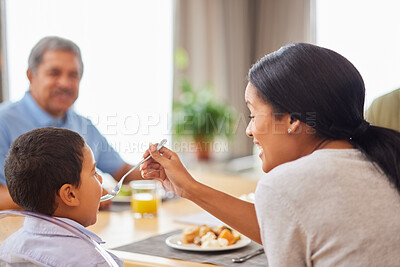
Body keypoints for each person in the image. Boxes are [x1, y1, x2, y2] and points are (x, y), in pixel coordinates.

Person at [141, 43, 400, 266]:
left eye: (253, 115)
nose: (248, 130)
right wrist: (189, 189)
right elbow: (291, 227)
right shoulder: (382, 160)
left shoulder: (286, 184)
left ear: (293, 120)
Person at [0, 36, 141, 210]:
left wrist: (157, 168)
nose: (65, 83)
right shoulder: (3, 122)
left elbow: (123, 172)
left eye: (73, 75)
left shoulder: (84, 125)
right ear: (31, 75)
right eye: (54, 73)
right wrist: (83, 194)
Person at [0, 127, 123, 266]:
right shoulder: (94, 261)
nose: (100, 179)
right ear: (70, 194)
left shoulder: (9, 247)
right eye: (94, 173)